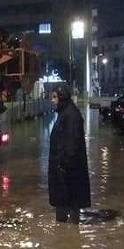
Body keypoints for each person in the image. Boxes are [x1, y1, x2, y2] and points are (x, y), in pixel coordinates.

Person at [48, 83, 91, 223]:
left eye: (55, 97)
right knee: (67, 206)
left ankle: (67, 239)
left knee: (68, 207)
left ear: (62, 97)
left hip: (67, 173)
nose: (52, 101)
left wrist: (62, 165)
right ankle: (67, 238)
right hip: (65, 171)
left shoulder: (71, 115)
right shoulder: (66, 113)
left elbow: (72, 144)